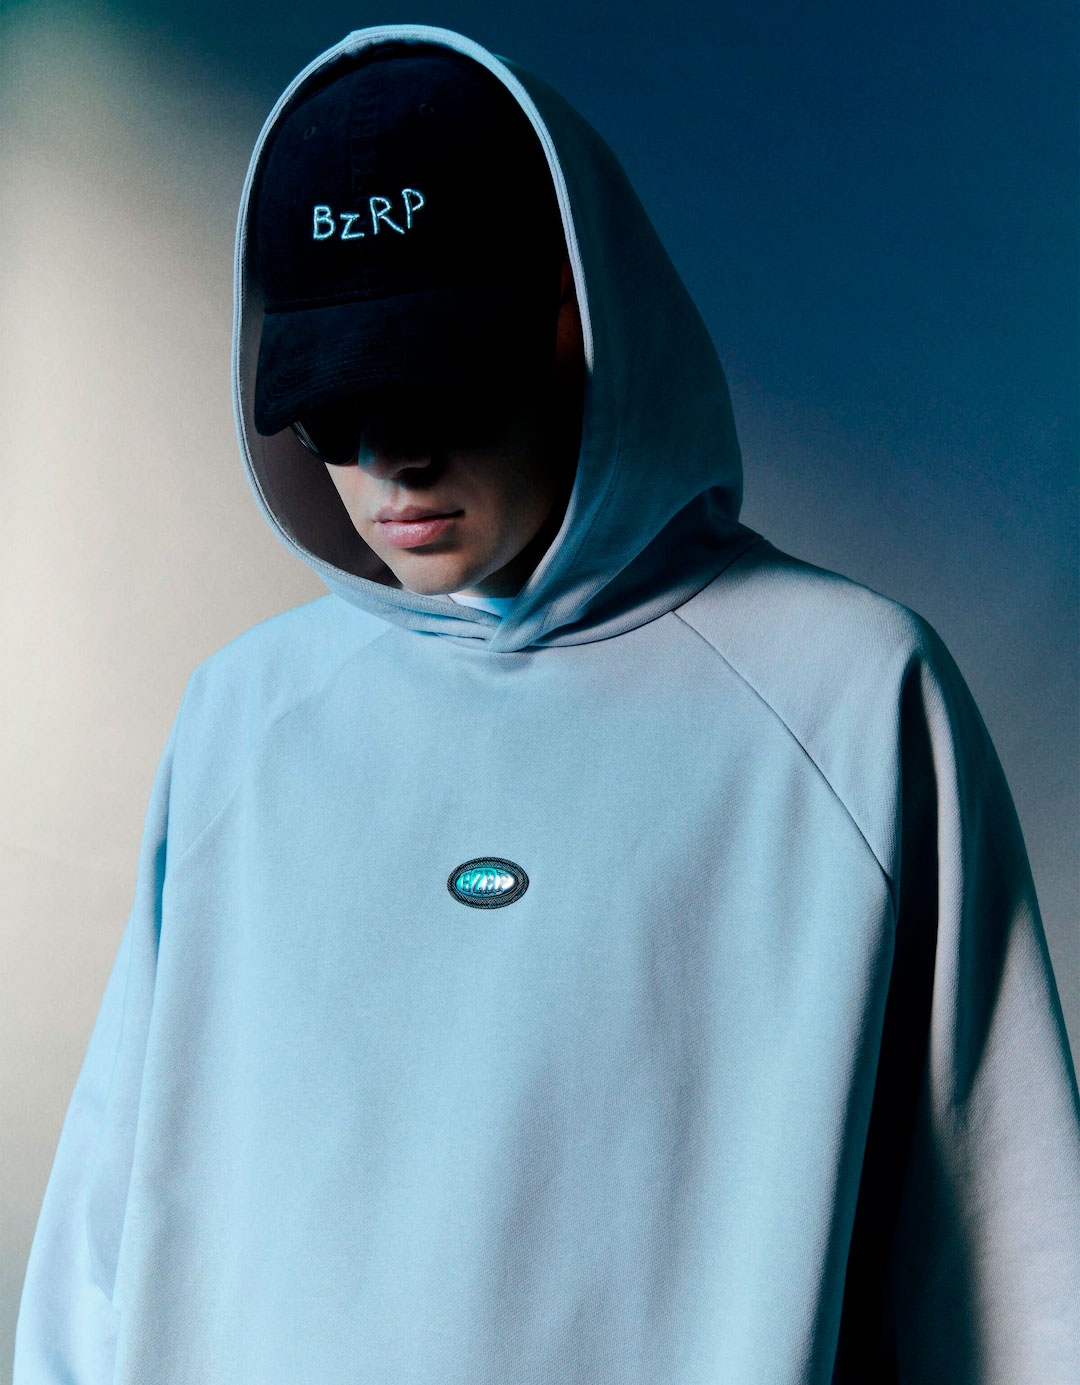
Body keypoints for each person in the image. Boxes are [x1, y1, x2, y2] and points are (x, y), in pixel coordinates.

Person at [14, 24, 1079, 1385]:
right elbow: (93, 1271)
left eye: (434, 375)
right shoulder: (243, 718)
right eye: (334, 405)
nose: (392, 457)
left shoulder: (853, 700)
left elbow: (1017, 1281)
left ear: (578, 323)